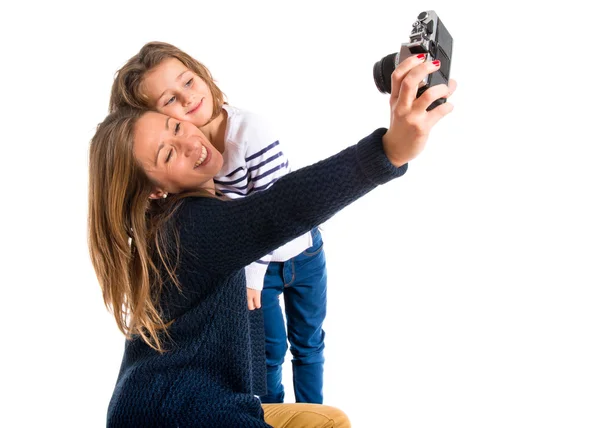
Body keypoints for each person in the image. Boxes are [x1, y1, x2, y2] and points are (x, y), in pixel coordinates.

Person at [88, 54, 456, 427]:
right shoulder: (189, 228)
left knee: (327, 420)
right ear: (154, 191)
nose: (189, 142)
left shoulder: (177, 220)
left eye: (176, 127)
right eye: (167, 153)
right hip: (181, 415)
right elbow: (279, 209)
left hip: (171, 403)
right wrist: (389, 150)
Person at [109, 42, 330, 404]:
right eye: (170, 101)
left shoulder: (247, 133)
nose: (188, 99)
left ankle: (312, 410)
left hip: (299, 255)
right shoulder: (188, 166)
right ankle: (273, 416)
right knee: (268, 354)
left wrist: (253, 278)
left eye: (189, 83)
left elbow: (276, 214)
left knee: (308, 344)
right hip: (261, 271)